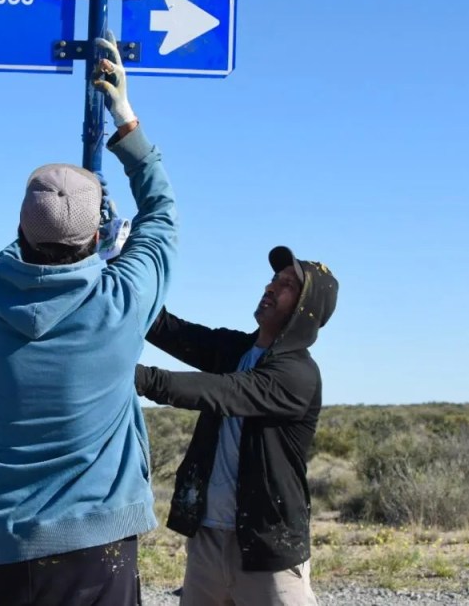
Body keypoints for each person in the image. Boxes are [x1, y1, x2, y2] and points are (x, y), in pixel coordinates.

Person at [0, 35, 178, 606]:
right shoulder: (119, 302)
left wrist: (56, 225)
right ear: (96, 239)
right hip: (98, 547)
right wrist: (124, 119)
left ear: (22, 230)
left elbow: (6, 262)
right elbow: (161, 213)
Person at [135, 247, 338, 606]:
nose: (272, 286)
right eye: (275, 278)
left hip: (268, 547)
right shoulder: (235, 350)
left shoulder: (297, 375)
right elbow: (166, 328)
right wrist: (122, 265)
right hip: (208, 539)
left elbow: (222, 391)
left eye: (287, 284)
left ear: (307, 309)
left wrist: (132, 377)